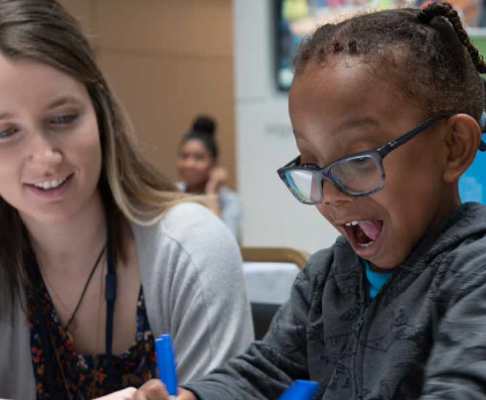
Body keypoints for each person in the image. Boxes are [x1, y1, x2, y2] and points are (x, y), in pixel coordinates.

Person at [0, 1, 254, 399]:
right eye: (6, 132)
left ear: (98, 107)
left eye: (62, 118)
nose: (45, 159)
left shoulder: (192, 248)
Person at [136, 3, 486, 399]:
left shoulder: (474, 275)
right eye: (311, 165)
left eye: (357, 161)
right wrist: (194, 396)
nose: (331, 196)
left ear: (454, 147)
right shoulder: (325, 279)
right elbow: (266, 372)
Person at [176, 116, 243, 241]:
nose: (189, 164)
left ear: (214, 163)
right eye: (184, 156)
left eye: (199, 158)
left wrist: (211, 192)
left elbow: (225, 242)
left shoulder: (229, 201)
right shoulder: (170, 192)